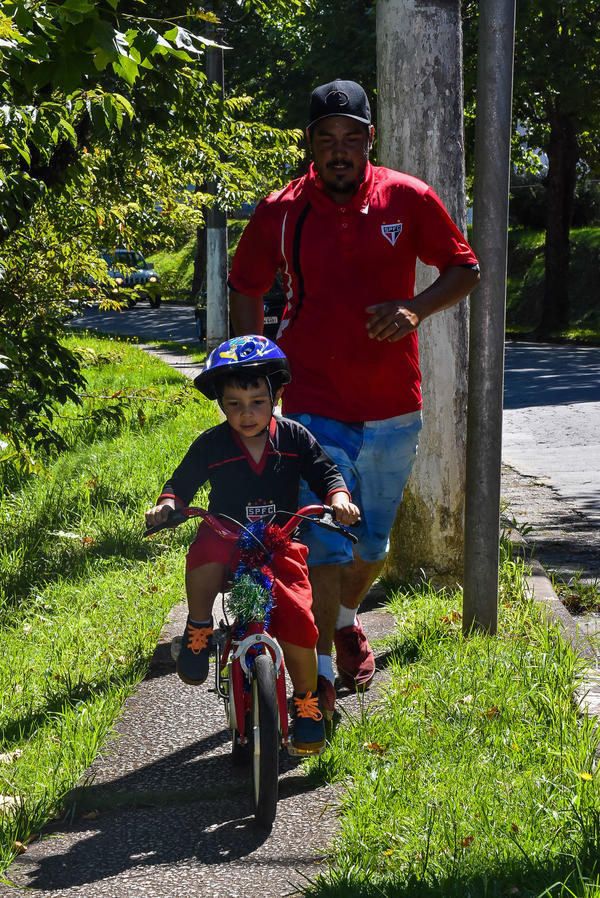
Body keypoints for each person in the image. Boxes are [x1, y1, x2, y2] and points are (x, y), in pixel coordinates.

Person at [228, 79, 480, 716]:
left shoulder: (407, 198)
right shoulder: (282, 211)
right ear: (309, 144)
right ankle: (318, 678)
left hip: (395, 402)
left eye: (352, 137)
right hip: (313, 400)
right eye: (326, 138)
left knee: (370, 544)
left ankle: (344, 621)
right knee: (323, 542)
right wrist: (250, 378)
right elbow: (246, 283)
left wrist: (416, 309)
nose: (340, 150)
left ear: (371, 139)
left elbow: (464, 267)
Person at [145, 335, 359, 754]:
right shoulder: (212, 444)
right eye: (234, 404)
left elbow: (326, 472)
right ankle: (200, 627)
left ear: (277, 395)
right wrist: (167, 505)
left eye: (258, 401)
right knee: (204, 549)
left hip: (280, 542)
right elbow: (182, 483)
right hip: (227, 534)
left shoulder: (295, 437)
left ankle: (306, 701)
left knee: (299, 618)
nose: (247, 414)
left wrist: (339, 500)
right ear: (221, 404)